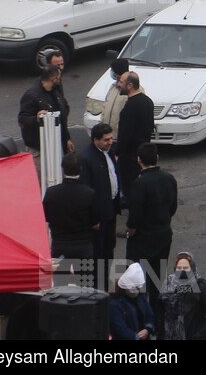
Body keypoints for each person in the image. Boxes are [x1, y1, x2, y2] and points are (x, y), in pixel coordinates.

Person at [126, 143, 178, 312]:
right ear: (157, 157)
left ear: (139, 160)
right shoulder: (169, 178)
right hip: (163, 234)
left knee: (139, 278)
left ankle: (143, 315)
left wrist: (130, 230)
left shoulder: (139, 185)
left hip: (144, 238)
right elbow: (173, 208)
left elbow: (135, 216)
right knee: (158, 276)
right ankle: (157, 314)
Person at [79, 122, 122, 287]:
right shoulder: (87, 158)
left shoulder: (108, 151)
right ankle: (98, 284)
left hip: (110, 208)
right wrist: (93, 218)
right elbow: (87, 192)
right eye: (106, 140)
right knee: (99, 250)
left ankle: (106, 279)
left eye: (111, 138)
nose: (110, 142)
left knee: (109, 246)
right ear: (95, 140)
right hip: (98, 214)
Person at [42, 153, 98, 263]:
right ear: (81, 169)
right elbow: (95, 222)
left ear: (63, 170)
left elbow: (45, 216)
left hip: (59, 245)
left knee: (60, 280)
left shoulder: (51, 193)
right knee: (84, 280)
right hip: (83, 246)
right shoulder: (89, 193)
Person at [160, 252, 206, 340]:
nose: (182, 271)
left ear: (192, 268)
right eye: (179, 268)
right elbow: (160, 309)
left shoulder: (202, 286)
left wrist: (199, 335)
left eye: (186, 268)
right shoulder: (168, 284)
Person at [114, 72, 155, 198]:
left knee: (130, 187)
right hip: (143, 152)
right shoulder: (148, 101)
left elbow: (126, 134)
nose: (118, 84)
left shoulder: (130, 107)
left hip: (129, 156)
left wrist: (117, 152)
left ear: (130, 85)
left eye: (121, 82)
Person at [18, 65, 71, 153]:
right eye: (58, 77)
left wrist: (67, 139)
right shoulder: (31, 96)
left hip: (56, 143)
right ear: (53, 79)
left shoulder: (55, 91)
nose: (60, 79)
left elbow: (63, 115)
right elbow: (22, 120)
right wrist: (36, 118)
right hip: (39, 148)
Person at [110, 262, 156, 341]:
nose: (137, 290)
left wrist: (147, 329)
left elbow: (150, 315)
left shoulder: (141, 297)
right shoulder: (114, 304)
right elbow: (120, 329)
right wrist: (137, 337)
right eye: (135, 287)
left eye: (138, 288)